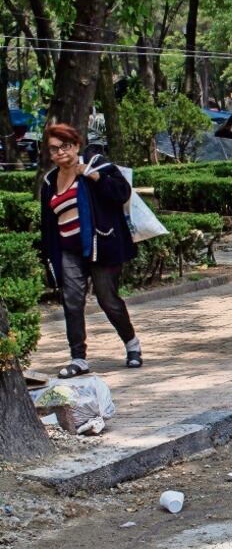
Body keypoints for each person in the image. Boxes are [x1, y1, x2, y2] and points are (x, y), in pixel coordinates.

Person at [40, 123, 142, 378]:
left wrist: (95, 176)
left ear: (76, 145)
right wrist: (49, 258)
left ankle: (132, 344)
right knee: (72, 301)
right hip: (68, 250)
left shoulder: (96, 165)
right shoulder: (49, 181)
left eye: (65, 146)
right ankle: (78, 357)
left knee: (108, 300)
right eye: (54, 149)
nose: (60, 152)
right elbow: (48, 224)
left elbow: (122, 193)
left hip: (102, 245)